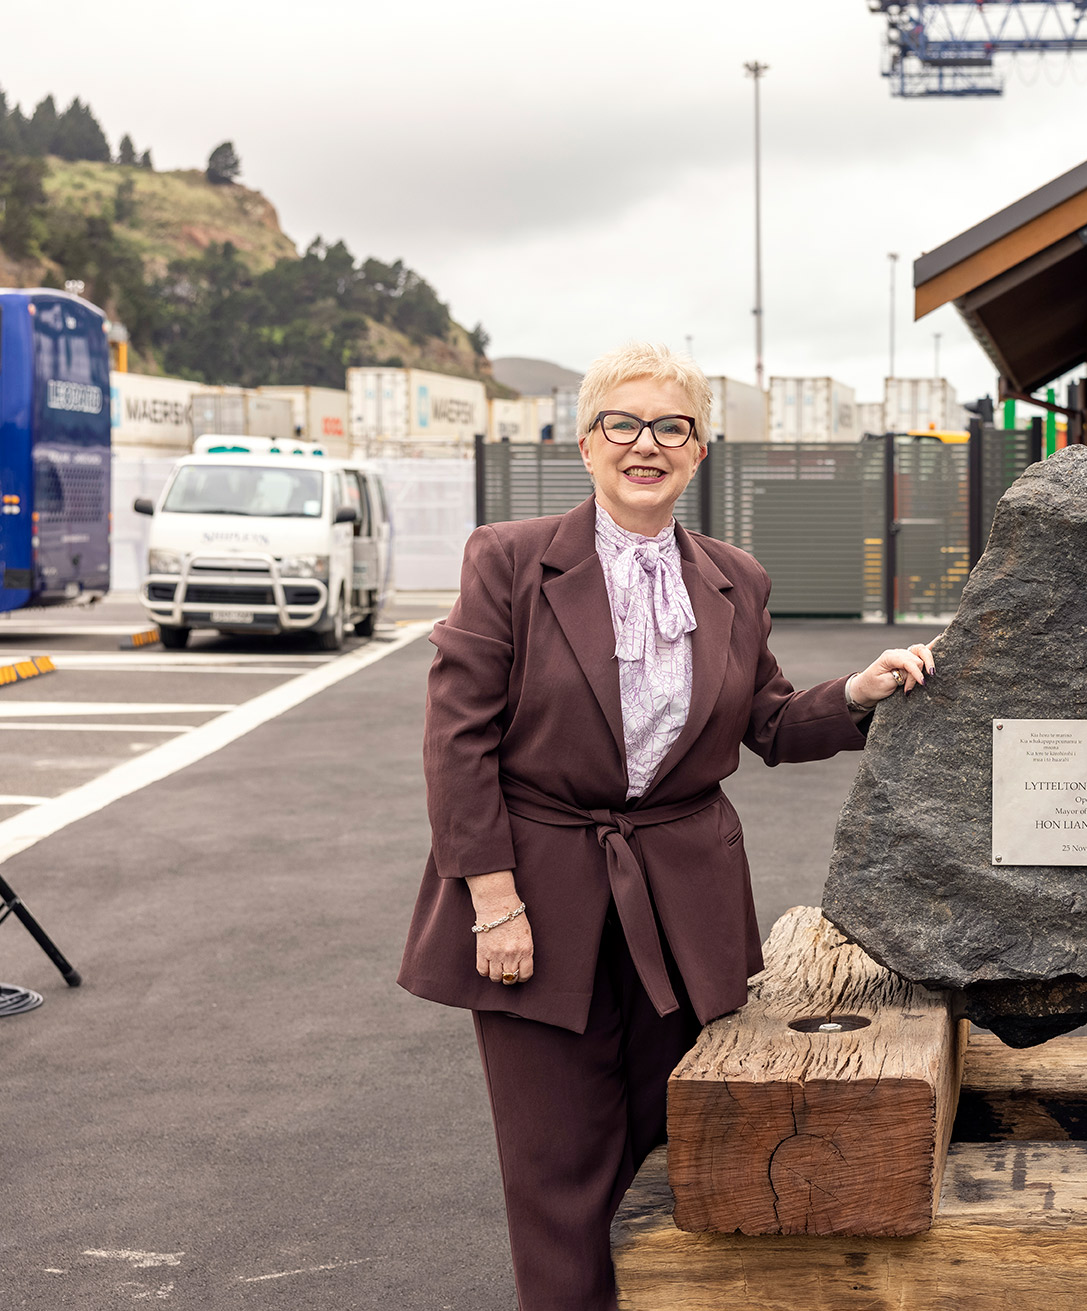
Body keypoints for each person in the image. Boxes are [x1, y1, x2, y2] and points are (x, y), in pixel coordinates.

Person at [398, 342, 933, 1309]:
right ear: (586, 441)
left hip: (684, 907)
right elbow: (458, 744)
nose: (647, 445)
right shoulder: (510, 561)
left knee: (668, 1142)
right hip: (538, 900)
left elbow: (766, 720)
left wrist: (860, 690)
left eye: (671, 427)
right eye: (624, 424)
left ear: (698, 449)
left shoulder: (736, 577)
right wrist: (492, 901)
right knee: (558, 1167)